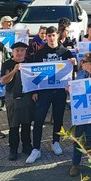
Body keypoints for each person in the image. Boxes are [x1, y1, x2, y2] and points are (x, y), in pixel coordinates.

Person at [26, 26, 76, 164]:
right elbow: (34, 72)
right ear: (46, 37)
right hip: (43, 91)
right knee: (39, 119)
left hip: (59, 91)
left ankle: (55, 142)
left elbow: (74, 70)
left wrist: (74, 63)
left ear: (57, 36)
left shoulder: (65, 52)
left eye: (53, 35)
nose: (51, 38)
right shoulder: (40, 53)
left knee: (58, 118)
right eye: (49, 36)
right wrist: (34, 91)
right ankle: (36, 148)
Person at [0, 41, 34, 160]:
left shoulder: (30, 63)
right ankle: (13, 150)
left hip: (27, 98)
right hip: (12, 98)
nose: (19, 53)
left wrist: (34, 92)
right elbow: (3, 81)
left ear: (25, 52)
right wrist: (14, 71)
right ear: (13, 52)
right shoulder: (7, 64)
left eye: (22, 50)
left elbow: (35, 80)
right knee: (13, 126)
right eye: (17, 50)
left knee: (26, 124)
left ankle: (27, 146)